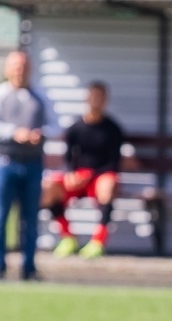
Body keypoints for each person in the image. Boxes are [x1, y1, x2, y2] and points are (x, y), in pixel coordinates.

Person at [0, 51, 56, 281]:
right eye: (15, 66)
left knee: (31, 218)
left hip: (32, 163)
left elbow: (56, 125)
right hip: (5, 161)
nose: (19, 70)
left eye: (23, 66)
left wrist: (40, 134)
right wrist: (14, 133)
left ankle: (29, 267)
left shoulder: (40, 96)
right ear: (7, 69)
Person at [43, 81, 131, 260]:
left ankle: (98, 241)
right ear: (87, 99)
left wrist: (90, 175)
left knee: (109, 184)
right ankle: (68, 238)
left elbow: (114, 163)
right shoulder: (76, 128)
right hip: (79, 178)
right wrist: (71, 174)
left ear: (106, 100)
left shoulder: (113, 129)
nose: (96, 101)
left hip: (99, 177)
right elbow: (68, 158)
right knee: (49, 186)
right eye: (93, 97)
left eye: (100, 97)